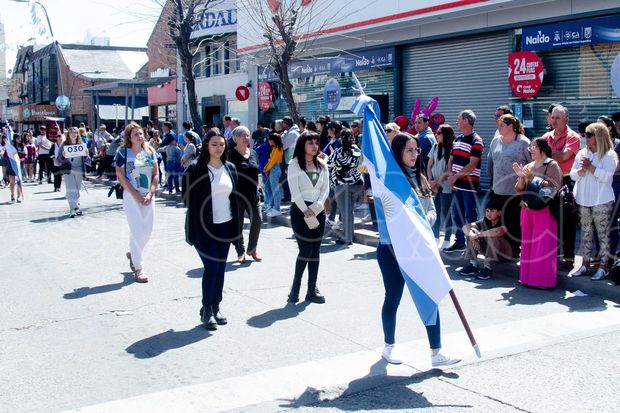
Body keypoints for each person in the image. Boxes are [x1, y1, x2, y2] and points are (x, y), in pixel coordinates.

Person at [379, 132, 459, 367]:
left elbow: (431, 208)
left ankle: (436, 352)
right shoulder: (391, 181)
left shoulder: (421, 178)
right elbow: (387, 216)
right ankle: (388, 347)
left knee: (430, 296)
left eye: (417, 150)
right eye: (409, 151)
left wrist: (427, 219)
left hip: (419, 247)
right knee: (393, 297)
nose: (415, 155)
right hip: (393, 249)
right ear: (398, 152)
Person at [182, 131, 240, 330]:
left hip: (226, 225)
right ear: (206, 145)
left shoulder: (230, 168)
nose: (218, 148)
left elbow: (235, 198)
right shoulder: (195, 168)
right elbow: (186, 197)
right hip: (203, 227)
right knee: (212, 267)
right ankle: (206, 308)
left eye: (222, 144)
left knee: (221, 267)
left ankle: (216, 306)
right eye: (214, 144)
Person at [286, 131, 330, 304]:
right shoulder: (294, 164)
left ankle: (312, 289)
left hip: (318, 210)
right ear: (302, 145)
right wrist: (306, 209)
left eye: (316, 143)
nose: (314, 146)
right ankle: (295, 288)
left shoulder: (322, 164)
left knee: (315, 250)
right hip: (299, 210)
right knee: (305, 250)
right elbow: (294, 191)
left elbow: (325, 188)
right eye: (310, 143)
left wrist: (317, 207)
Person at [570, 123, 617, 280]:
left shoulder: (609, 155)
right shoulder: (582, 153)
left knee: (603, 234)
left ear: (598, 136)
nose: (585, 137)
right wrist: (581, 171)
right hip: (583, 199)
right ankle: (584, 264)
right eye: (584, 134)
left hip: (602, 200)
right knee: (586, 233)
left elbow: (607, 177)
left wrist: (591, 168)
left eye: (588, 134)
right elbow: (572, 175)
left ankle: (603, 267)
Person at [513, 137, 563, 289]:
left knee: (543, 244)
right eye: (530, 147)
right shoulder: (528, 165)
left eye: (534, 146)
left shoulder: (552, 165)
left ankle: (543, 281)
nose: (531, 149)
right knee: (528, 243)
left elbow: (555, 185)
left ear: (542, 148)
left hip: (544, 209)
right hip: (527, 208)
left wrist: (532, 177)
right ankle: (527, 278)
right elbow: (519, 188)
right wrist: (522, 177)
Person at [114, 122, 159, 284]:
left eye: (141, 134)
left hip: (148, 195)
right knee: (137, 229)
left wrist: (150, 193)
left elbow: (155, 174)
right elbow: (120, 174)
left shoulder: (150, 151)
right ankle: (139, 268)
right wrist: (136, 195)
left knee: (147, 231)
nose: (139, 137)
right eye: (135, 134)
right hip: (131, 196)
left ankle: (133, 253)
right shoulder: (123, 153)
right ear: (129, 137)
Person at [486, 114, 531, 258]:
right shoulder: (495, 142)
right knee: (498, 221)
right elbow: (490, 161)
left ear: (511, 126)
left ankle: (514, 251)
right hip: (498, 188)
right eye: (498, 125)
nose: (498, 128)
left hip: (515, 190)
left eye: (501, 125)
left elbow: (531, 164)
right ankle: (501, 250)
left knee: (514, 222)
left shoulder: (523, 142)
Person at [543, 105, 580, 263]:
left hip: (566, 180)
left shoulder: (573, 136)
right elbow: (540, 158)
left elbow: (564, 156)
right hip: (549, 180)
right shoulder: (546, 136)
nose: (554, 120)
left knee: (567, 220)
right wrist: (552, 154)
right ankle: (554, 254)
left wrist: (548, 153)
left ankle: (568, 256)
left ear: (566, 119)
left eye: (558, 117)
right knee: (550, 218)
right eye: (553, 117)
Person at [444, 110, 484, 252]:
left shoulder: (477, 141)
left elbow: (472, 164)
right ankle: (460, 242)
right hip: (457, 185)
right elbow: (451, 159)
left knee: (470, 216)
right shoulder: (457, 140)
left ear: (466, 121)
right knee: (457, 214)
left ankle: (472, 245)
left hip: (469, 185)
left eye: (459, 119)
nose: (457, 121)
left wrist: (455, 177)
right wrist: (451, 175)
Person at [229, 126, 263, 262]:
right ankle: (240, 251)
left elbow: (256, 170)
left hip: (253, 193)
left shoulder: (253, 153)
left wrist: (260, 185)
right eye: (242, 135)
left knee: (258, 219)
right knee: (238, 224)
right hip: (237, 194)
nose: (246, 138)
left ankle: (252, 248)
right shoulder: (230, 154)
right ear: (235, 138)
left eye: (248, 135)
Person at [459, 199, 512, 280]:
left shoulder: (505, 221)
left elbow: (498, 231)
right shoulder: (485, 220)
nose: (489, 214)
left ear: (499, 212)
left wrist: (477, 235)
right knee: (471, 231)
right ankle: (473, 265)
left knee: (493, 236)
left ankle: (488, 268)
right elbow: (465, 227)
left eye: (492, 211)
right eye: (487, 211)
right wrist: (472, 237)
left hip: (503, 254)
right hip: (489, 251)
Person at [328, 128, 363, 245]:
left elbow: (328, 165)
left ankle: (347, 238)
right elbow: (363, 167)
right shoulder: (358, 151)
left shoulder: (338, 152)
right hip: (356, 184)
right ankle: (350, 235)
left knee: (345, 211)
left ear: (341, 139)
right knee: (349, 211)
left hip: (341, 184)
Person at [59, 127, 88, 218]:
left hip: (79, 169)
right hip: (69, 169)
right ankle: (73, 208)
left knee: (77, 188)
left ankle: (76, 206)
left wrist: (87, 155)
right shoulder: (64, 145)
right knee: (71, 189)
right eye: (71, 132)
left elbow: (87, 160)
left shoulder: (82, 144)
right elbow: (59, 158)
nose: (73, 134)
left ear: (77, 134)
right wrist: (63, 156)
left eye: (75, 132)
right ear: (68, 135)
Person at [263, 132, 284, 217]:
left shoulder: (278, 148)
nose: (268, 141)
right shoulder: (275, 148)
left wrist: (266, 168)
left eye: (269, 139)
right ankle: (271, 206)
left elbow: (273, 161)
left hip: (275, 169)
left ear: (273, 140)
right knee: (268, 187)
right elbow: (271, 160)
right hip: (272, 169)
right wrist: (266, 168)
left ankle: (277, 209)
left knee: (275, 189)